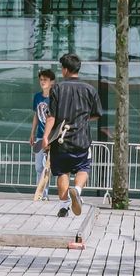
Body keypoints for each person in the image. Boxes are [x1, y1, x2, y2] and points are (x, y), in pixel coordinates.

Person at [42, 53, 102, 218]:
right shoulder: (90, 89)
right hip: (81, 138)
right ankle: (77, 190)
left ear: (66, 69)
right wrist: (82, 118)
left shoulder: (57, 88)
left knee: (62, 172)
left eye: (62, 68)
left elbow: (51, 116)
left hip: (61, 139)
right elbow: (97, 114)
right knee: (83, 167)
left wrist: (46, 137)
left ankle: (63, 206)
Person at [29, 68, 56, 199]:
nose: (42, 82)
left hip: (52, 137)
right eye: (41, 79)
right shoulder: (37, 97)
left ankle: (43, 194)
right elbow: (36, 115)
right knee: (39, 166)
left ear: (52, 81)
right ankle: (39, 192)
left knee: (48, 166)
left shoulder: (55, 97)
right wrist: (32, 132)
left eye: (45, 79)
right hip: (40, 135)